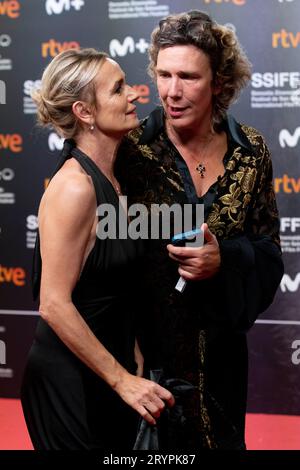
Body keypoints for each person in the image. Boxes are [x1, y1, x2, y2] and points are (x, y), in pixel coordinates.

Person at [116, 11, 284, 449]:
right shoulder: (130, 147)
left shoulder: (252, 152)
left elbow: (269, 250)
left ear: (218, 82)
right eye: (164, 74)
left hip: (222, 367)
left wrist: (224, 259)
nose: (172, 91)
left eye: (188, 77)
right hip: (144, 369)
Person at [21, 48, 174, 450]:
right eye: (118, 89)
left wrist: (133, 356)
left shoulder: (119, 179)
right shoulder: (75, 188)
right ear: (85, 112)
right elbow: (53, 303)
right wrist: (123, 380)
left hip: (110, 373)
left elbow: (116, 285)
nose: (134, 95)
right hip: (69, 384)